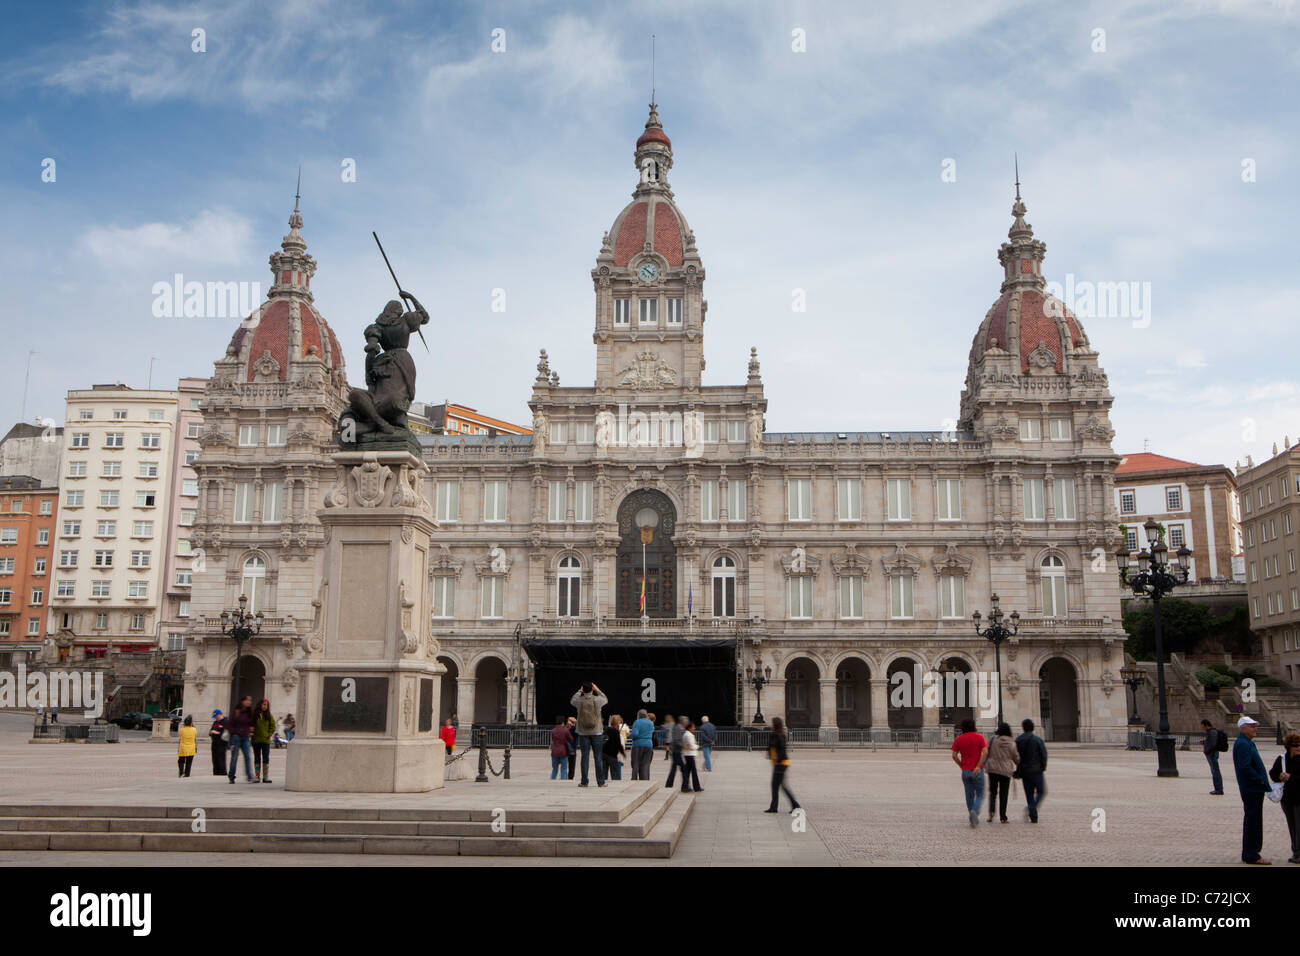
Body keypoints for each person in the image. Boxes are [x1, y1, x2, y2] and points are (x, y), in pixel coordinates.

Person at [1233, 715, 1271, 864]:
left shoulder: (1246, 742)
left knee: (1253, 820)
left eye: (1255, 726)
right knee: (1253, 821)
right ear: (1243, 728)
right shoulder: (1243, 744)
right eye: (1252, 726)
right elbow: (1245, 767)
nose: (1255, 729)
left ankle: (1251, 852)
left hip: (1253, 787)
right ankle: (1252, 854)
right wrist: (1260, 779)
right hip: (1252, 788)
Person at [570, 681, 609, 787]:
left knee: (585, 757)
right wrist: (597, 689)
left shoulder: (579, 700)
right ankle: (600, 781)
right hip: (596, 731)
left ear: (583, 689)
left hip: (582, 731)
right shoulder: (597, 700)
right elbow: (605, 698)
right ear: (592, 689)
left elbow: (572, 701)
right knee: (598, 757)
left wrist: (579, 691)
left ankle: (584, 781)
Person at [951, 717, 988, 828]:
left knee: (969, 795)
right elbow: (985, 752)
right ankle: (974, 812)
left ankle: (971, 813)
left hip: (966, 770)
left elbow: (954, 755)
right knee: (980, 794)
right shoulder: (979, 737)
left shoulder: (959, 739)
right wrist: (978, 766)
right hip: (977, 770)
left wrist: (961, 765)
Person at [1269, 732, 1300, 864]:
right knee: (1292, 826)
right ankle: (1296, 852)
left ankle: (1299, 853)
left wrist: (1291, 777)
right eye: (1295, 745)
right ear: (1288, 746)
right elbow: (1272, 773)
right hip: (1287, 799)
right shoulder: (1282, 759)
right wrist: (1280, 776)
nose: (1298, 747)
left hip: (1299, 798)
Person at [985, 722, 1020, 823]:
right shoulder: (1012, 743)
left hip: (993, 769)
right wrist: (1018, 765)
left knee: (993, 792)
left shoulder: (993, 740)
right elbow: (1016, 757)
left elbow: (987, 751)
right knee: (1004, 794)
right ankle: (1003, 816)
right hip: (1006, 770)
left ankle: (991, 812)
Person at [1015, 718, 1049, 823]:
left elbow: (1016, 756)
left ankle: (1034, 817)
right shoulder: (1037, 740)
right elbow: (1044, 754)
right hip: (1036, 770)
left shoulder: (1018, 740)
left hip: (1024, 771)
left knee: (1029, 794)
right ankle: (1031, 807)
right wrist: (1043, 767)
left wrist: (1018, 768)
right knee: (1041, 791)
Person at [764, 716, 800, 813]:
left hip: (781, 763)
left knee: (780, 786)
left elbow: (782, 749)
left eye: (772, 723)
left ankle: (795, 805)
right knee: (776, 786)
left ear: (775, 724)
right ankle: (774, 807)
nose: (771, 724)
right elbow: (771, 746)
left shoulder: (780, 735)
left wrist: (778, 760)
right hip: (778, 763)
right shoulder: (775, 734)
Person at [226, 696, 255, 784]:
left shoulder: (249, 712)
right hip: (236, 737)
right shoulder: (236, 712)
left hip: (245, 737)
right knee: (234, 757)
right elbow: (229, 724)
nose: (249, 702)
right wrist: (234, 732)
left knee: (247, 756)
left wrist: (250, 729)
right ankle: (231, 776)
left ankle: (249, 776)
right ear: (242, 701)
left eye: (250, 700)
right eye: (247, 700)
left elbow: (251, 723)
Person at [251, 698, 277, 783]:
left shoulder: (269, 716)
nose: (265, 706)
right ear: (260, 705)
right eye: (264, 704)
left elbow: (273, 727)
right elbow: (250, 725)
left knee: (266, 759)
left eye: (266, 705)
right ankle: (257, 776)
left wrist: (268, 735)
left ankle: (265, 777)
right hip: (256, 740)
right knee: (257, 758)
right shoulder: (254, 715)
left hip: (265, 741)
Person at [629, 709, 655, 781]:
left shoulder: (637, 722)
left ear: (638, 715)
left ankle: (634, 779)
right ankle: (645, 780)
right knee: (646, 764)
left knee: (636, 763)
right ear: (646, 715)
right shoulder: (651, 723)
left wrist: (629, 735)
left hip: (638, 745)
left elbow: (635, 734)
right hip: (649, 745)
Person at [1201, 718, 1226, 795]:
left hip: (1212, 754)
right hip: (1211, 753)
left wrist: (1208, 751)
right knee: (1214, 771)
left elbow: (1213, 744)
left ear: (1206, 725)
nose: (1202, 728)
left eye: (1203, 727)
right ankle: (1217, 788)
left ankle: (1219, 789)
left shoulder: (1212, 732)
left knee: (1215, 771)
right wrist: (1204, 742)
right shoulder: (1210, 732)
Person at [679, 719, 704, 793]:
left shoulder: (686, 734)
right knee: (694, 771)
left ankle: (685, 786)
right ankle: (696, 787)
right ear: (689, 728)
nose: (694, 728)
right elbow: (692, 746)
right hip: (690, 754)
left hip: (687, 754)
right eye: (693, 727)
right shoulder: (689, 735)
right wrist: (697, 746)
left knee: (687, 771)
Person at [665, 715, 688, 788]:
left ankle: (669, 785)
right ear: (683, 722)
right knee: (682, 769)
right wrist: (683, 745)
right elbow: (676, 740)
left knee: (674, 769)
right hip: (676, 751)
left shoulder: (680, 727)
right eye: (686, 721)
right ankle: (685, 786)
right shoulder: (678, 728)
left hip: (676, 751)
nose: (687, 723)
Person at [550, 715, 573, 781]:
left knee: (554, 769)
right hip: (563, 751)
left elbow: (553, 739)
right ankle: (563, 781)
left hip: (554, 751)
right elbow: (571, 739)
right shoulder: (565, 730)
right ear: (563, 722)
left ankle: (552, 780)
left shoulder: (553, 731)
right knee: (563, 769)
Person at [603, 715, 626, 781]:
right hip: (612, 755)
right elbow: (619, 745)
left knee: (603, 775)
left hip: (603, 754)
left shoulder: (606, 731)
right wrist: (623, 755)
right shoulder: (616, 733)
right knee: (616, 776)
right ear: (617, 724)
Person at [209, 709, 228, 777]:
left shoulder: (225, 721)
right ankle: (216, 773)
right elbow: (210, 731)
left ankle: (222, 773)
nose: (216, 718)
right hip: (214, 743)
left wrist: (216, 732)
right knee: (215, 759)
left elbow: (225, 733)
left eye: (216, 716)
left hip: (222, 744)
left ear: (220, 715)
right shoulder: (215, 723)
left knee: (221, 759)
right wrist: (212, 732)